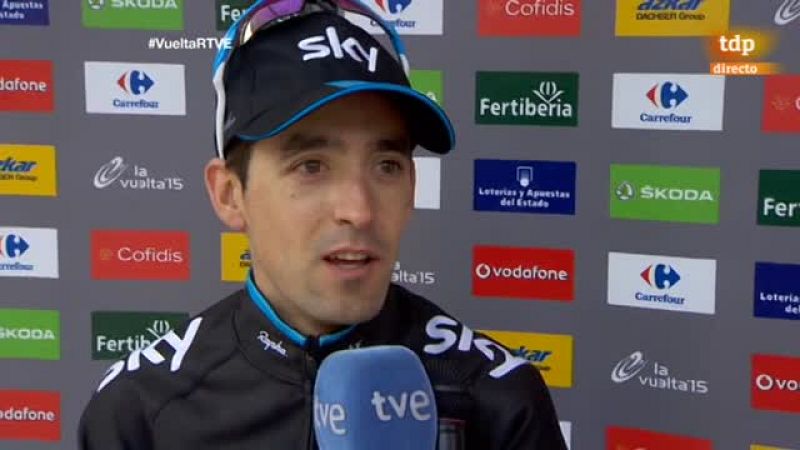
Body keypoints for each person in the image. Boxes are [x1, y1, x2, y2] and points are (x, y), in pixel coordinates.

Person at [78, 1, 568, 449]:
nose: (359, 210)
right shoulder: (138, 410)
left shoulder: (499, 401)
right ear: (229, 195)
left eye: (386, 166)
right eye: (311, 166)